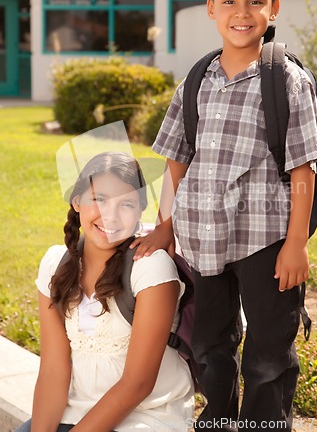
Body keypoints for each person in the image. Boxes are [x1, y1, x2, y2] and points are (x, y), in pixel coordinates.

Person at [131, 0, 317, 431]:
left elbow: (304, 168)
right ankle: (218, 419)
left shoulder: (287, 81)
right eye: (230, 1)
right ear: (212, 7)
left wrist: (296, 244)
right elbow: (177, 158)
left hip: (265, 239)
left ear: (274, 9)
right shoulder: (196, 81)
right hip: (203, 240)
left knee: (269, 350)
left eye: (256, 1)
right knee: (209, 345)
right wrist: (166, 226)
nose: (243, 12)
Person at [16, 151, 194, 432]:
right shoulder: (54, 264)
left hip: (145, 417)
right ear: (77, 201)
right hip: (75, 410)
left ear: (139, 212)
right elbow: (53, 372)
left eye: (126, 204)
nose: (110, 216)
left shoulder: (150, 268)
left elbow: (137, 384)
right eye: (99, 199)